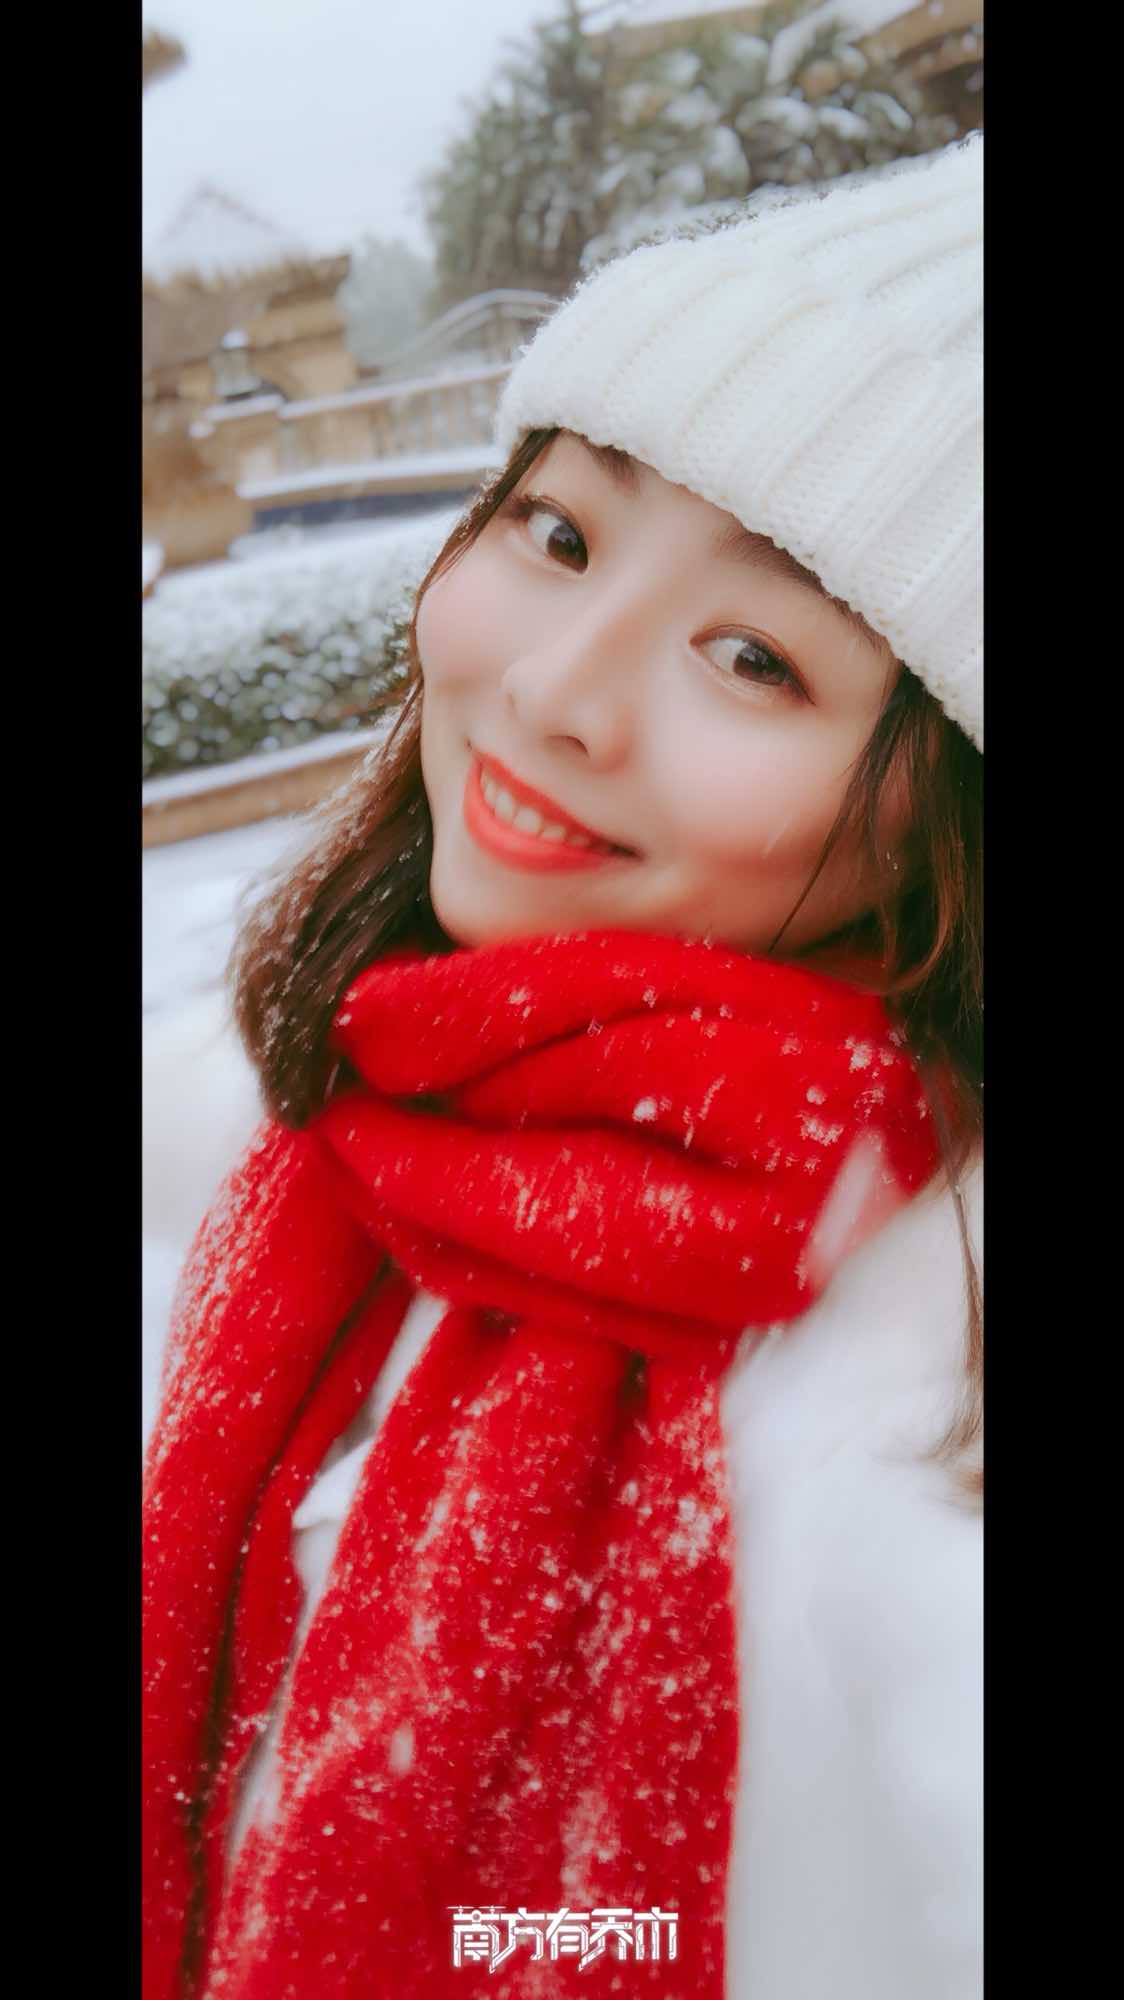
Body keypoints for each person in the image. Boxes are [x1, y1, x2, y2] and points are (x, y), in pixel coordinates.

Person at [143, 133, 982, 2000]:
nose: (551, 692)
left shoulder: (911, 1382)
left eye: (755, 657)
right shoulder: (337, 1105)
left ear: (951, 825)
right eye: (561, 535)